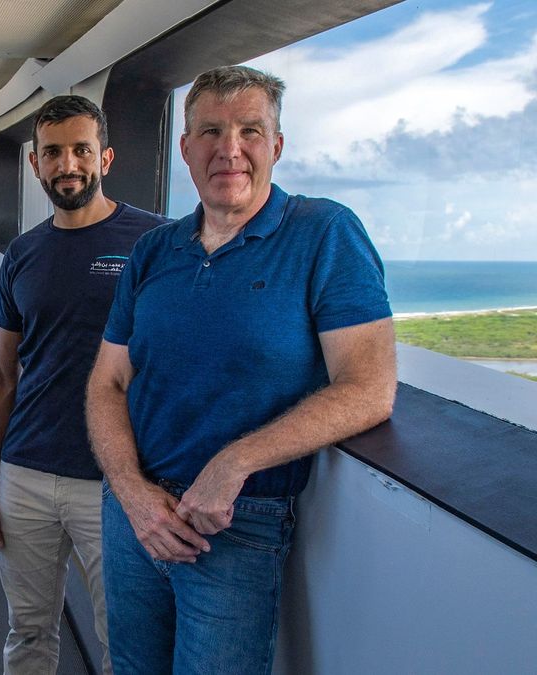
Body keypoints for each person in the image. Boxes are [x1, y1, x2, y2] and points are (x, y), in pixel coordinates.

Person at [86, 65, 397, 674]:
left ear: (276, 146)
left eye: (249, 130)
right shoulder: (155, 250)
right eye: (210, 131)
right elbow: (108, 381)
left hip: (236, 524)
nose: (230, 149)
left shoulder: (323, 233)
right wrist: (130, 493)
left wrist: (233, 463)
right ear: (185, 149)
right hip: (134, 515)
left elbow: (370, 387)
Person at [0, 95, 168, 674]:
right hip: (25, 473)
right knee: (28, 632)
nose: (67, 164)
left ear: (105, 156)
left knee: (124, 642)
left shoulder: (153, 243)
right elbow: (2, 373)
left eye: (81, 149)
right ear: (35, 164)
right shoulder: (23, 254)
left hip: (113, 482)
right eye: (53, 152)